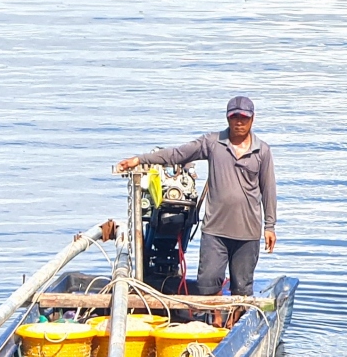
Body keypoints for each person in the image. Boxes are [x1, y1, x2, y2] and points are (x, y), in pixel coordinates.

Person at [117, 95, 276, 297]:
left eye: (244, 118)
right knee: (207, 284)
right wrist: (139, 160)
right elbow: (177, 154)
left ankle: (235, 321)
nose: (239, 122)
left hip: (248, 231)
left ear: (252, 119)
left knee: (242, 289)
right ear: (227, 118)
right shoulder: (212, 143)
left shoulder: (262, 151)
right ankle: (215, 321)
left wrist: (270, 226)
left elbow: (268, 189)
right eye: (234, 117)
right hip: (215, 230)